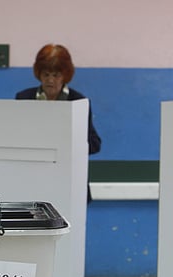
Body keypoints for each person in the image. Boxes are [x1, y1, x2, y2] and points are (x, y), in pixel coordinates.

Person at [15, 43, 101, 203]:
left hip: (69, 181)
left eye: (56, 75)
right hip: (32, 180)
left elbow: (95, 144)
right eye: (46, 74)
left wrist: (71, 141)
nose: (50, 80)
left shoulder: (79, 102)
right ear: (38, 74)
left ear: (65, 76)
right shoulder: (23, 98)